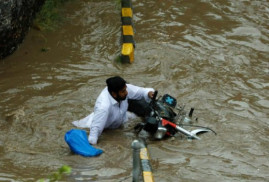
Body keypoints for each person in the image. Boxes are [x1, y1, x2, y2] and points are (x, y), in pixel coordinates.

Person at [72, 76, 155, 145]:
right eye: (123, 91)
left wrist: (148, 93)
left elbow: (141, 91)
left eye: (125, 89)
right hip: (100, 126)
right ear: (114, 94)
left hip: (120, 119)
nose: (126, 92)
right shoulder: (103, 107)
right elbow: (94, 135)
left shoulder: (122, 90)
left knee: (138, 118)